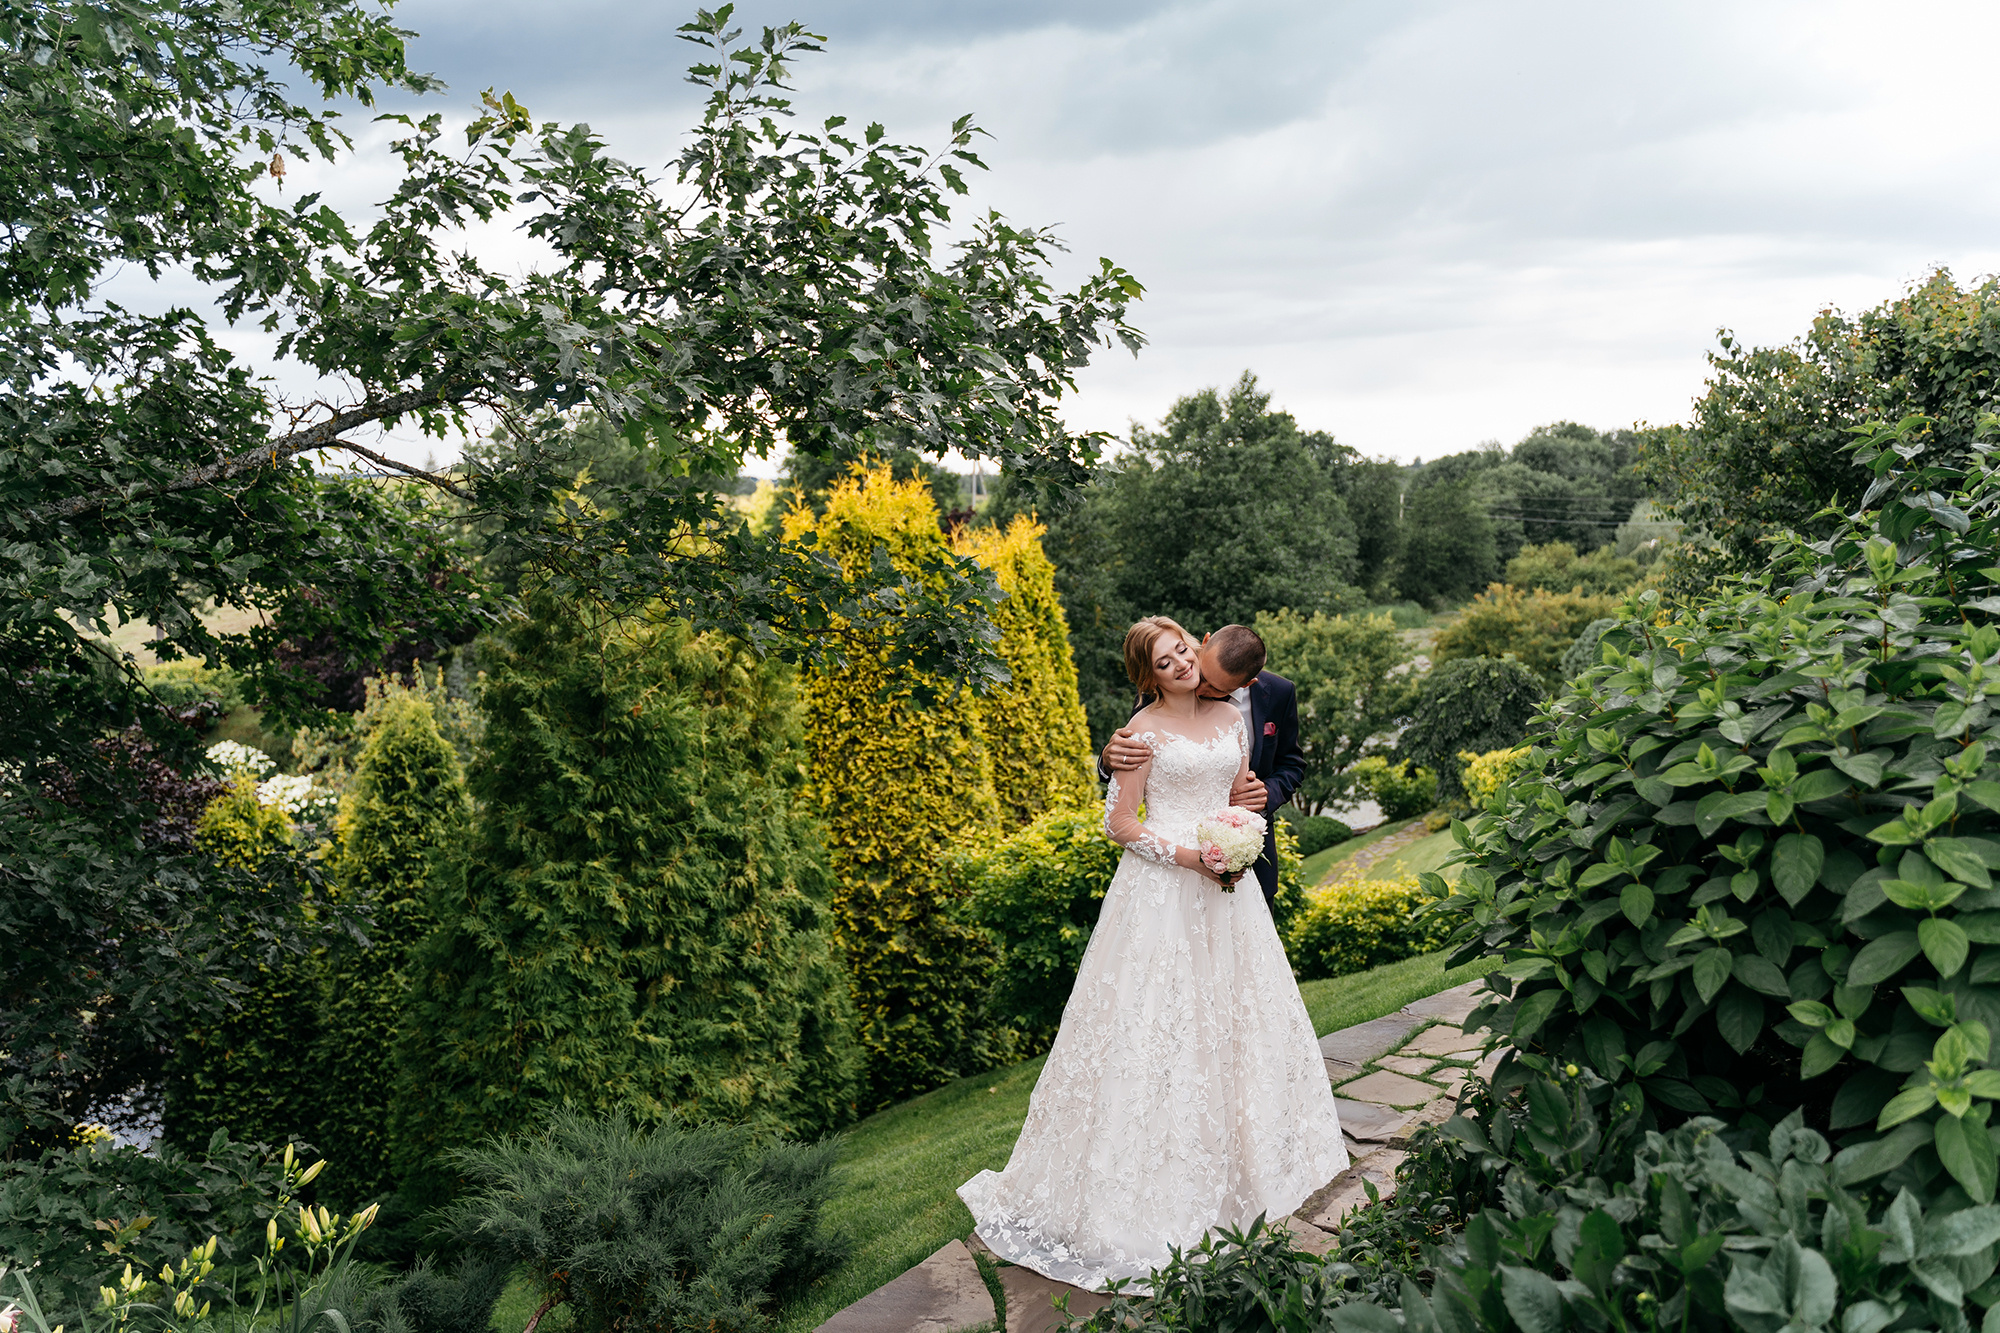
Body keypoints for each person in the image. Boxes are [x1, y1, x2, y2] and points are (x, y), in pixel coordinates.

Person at [958, 616, 1346, 1292]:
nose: (1182, 666)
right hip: (1161, 897)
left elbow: (1238, 794)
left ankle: (1255, 1176)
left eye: (1185, 652)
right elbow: (1121, 823)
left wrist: (1243, 823)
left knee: (1237, 1029)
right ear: (1149, 676)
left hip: (1228, 896)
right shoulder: (1137, 735)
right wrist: (1189, 856)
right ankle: (1141, 1201)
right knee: (1157, 1036)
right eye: (1165, 663)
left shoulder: (1232, 715)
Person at [1098, 623, 1304, 912]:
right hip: (1168, 879)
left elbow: (1291, 763)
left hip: (1241, 866)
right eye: (1203, 677)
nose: (1199, 687)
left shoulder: (1254, 706)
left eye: (1216, 688)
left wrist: (1264, 794)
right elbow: (1130, 770)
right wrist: (1108, 759)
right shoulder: (1153, 703)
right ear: (1203, 644)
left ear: (1245, 685)